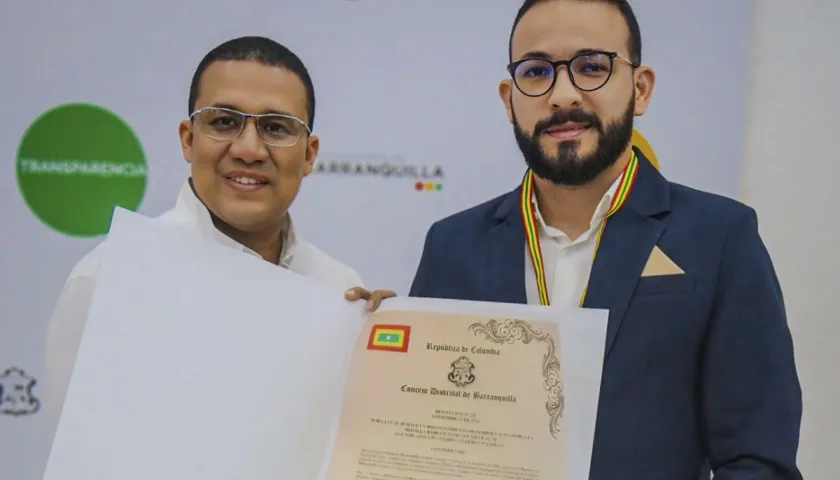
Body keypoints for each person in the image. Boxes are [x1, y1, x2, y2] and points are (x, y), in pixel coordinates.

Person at [403, 0, 803, 478]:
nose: (562, 95)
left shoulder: (719, 237)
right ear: (509, 99)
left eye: (592, 66)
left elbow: (758, 459)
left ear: (640, 88)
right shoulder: (452, 245)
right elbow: (419, 439)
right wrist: (373, 347)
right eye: (536, 72)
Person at [43, 36, 392, 444]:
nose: (249, 149)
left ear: (310, 154)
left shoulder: (340, 291)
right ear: (188, 139)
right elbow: (74, 456)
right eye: (224, 122)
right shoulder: (106, 282)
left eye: (276, 128)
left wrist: (396, 350)